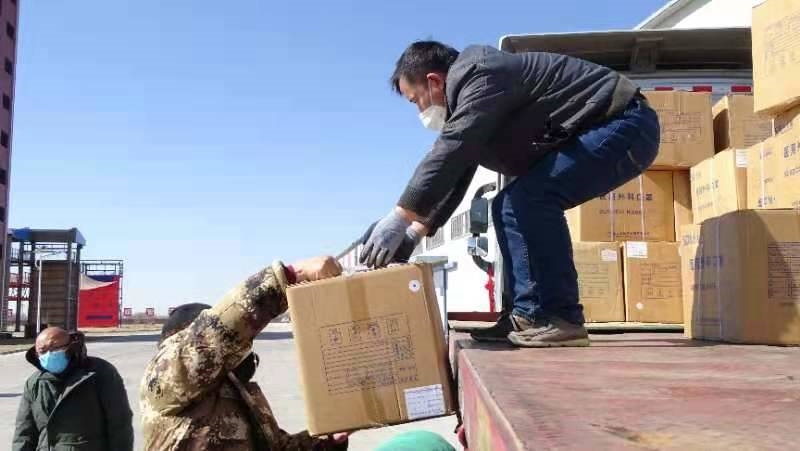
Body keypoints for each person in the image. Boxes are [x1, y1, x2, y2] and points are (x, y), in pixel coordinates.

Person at [360, 41, 660, 347]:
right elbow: (458, 170)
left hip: (624, 122)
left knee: (530, 198)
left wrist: (400, 215)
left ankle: (563, 317)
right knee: (508, 204)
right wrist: (415, 232)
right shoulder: (473, 98)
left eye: (415, 101)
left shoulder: (480, 74)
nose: (419, 111)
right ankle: (527, 314)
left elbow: (451, 150)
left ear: (434, 82)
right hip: (610, 128)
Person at [139, 256, 350, 450]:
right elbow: (217, 334)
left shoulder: (238, 392)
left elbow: (276, 447)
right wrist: (293, 276)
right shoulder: (165, 379)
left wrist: (330, 440)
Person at [12, 327, 134, 451]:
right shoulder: (35, 383)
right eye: (43, 351)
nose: (49, 355)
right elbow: (24, 433)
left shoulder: (99, 373)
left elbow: (120, 423)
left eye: (55, 348)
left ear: (70, 347)